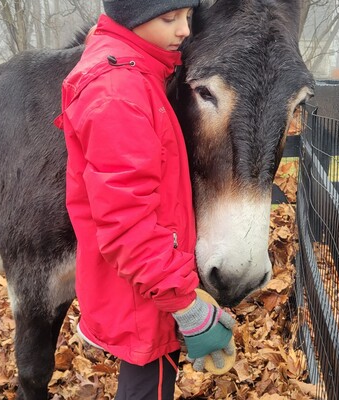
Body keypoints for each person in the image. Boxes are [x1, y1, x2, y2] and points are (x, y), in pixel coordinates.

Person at [54, 1, 235, 398]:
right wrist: (185, 304)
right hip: (144, 294)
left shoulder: (139, 75)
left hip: (146, 285)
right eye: (169, 18)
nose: (184, 30)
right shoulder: (118, 94)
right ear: (131, 18)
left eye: (187, 16)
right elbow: (127, 224)